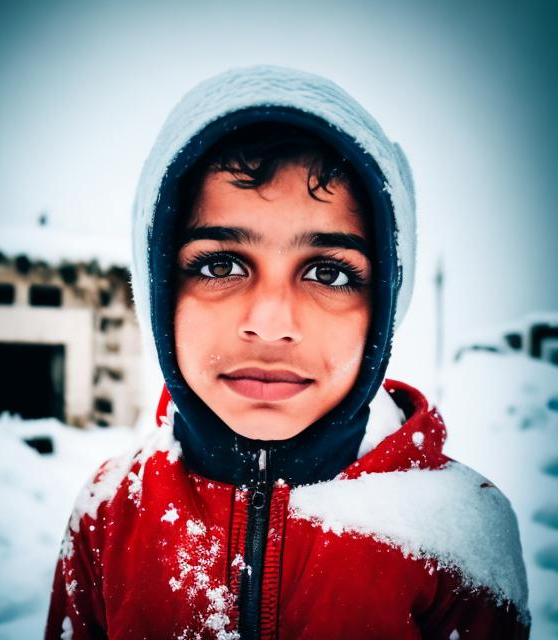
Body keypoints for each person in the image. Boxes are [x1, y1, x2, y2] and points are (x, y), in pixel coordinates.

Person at [44, 66, 530, 639]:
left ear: (385, 305)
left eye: (328, 272)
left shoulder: (462, 529)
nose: (271, 325)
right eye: (219, 265)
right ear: (159, 290)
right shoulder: (110, 512)